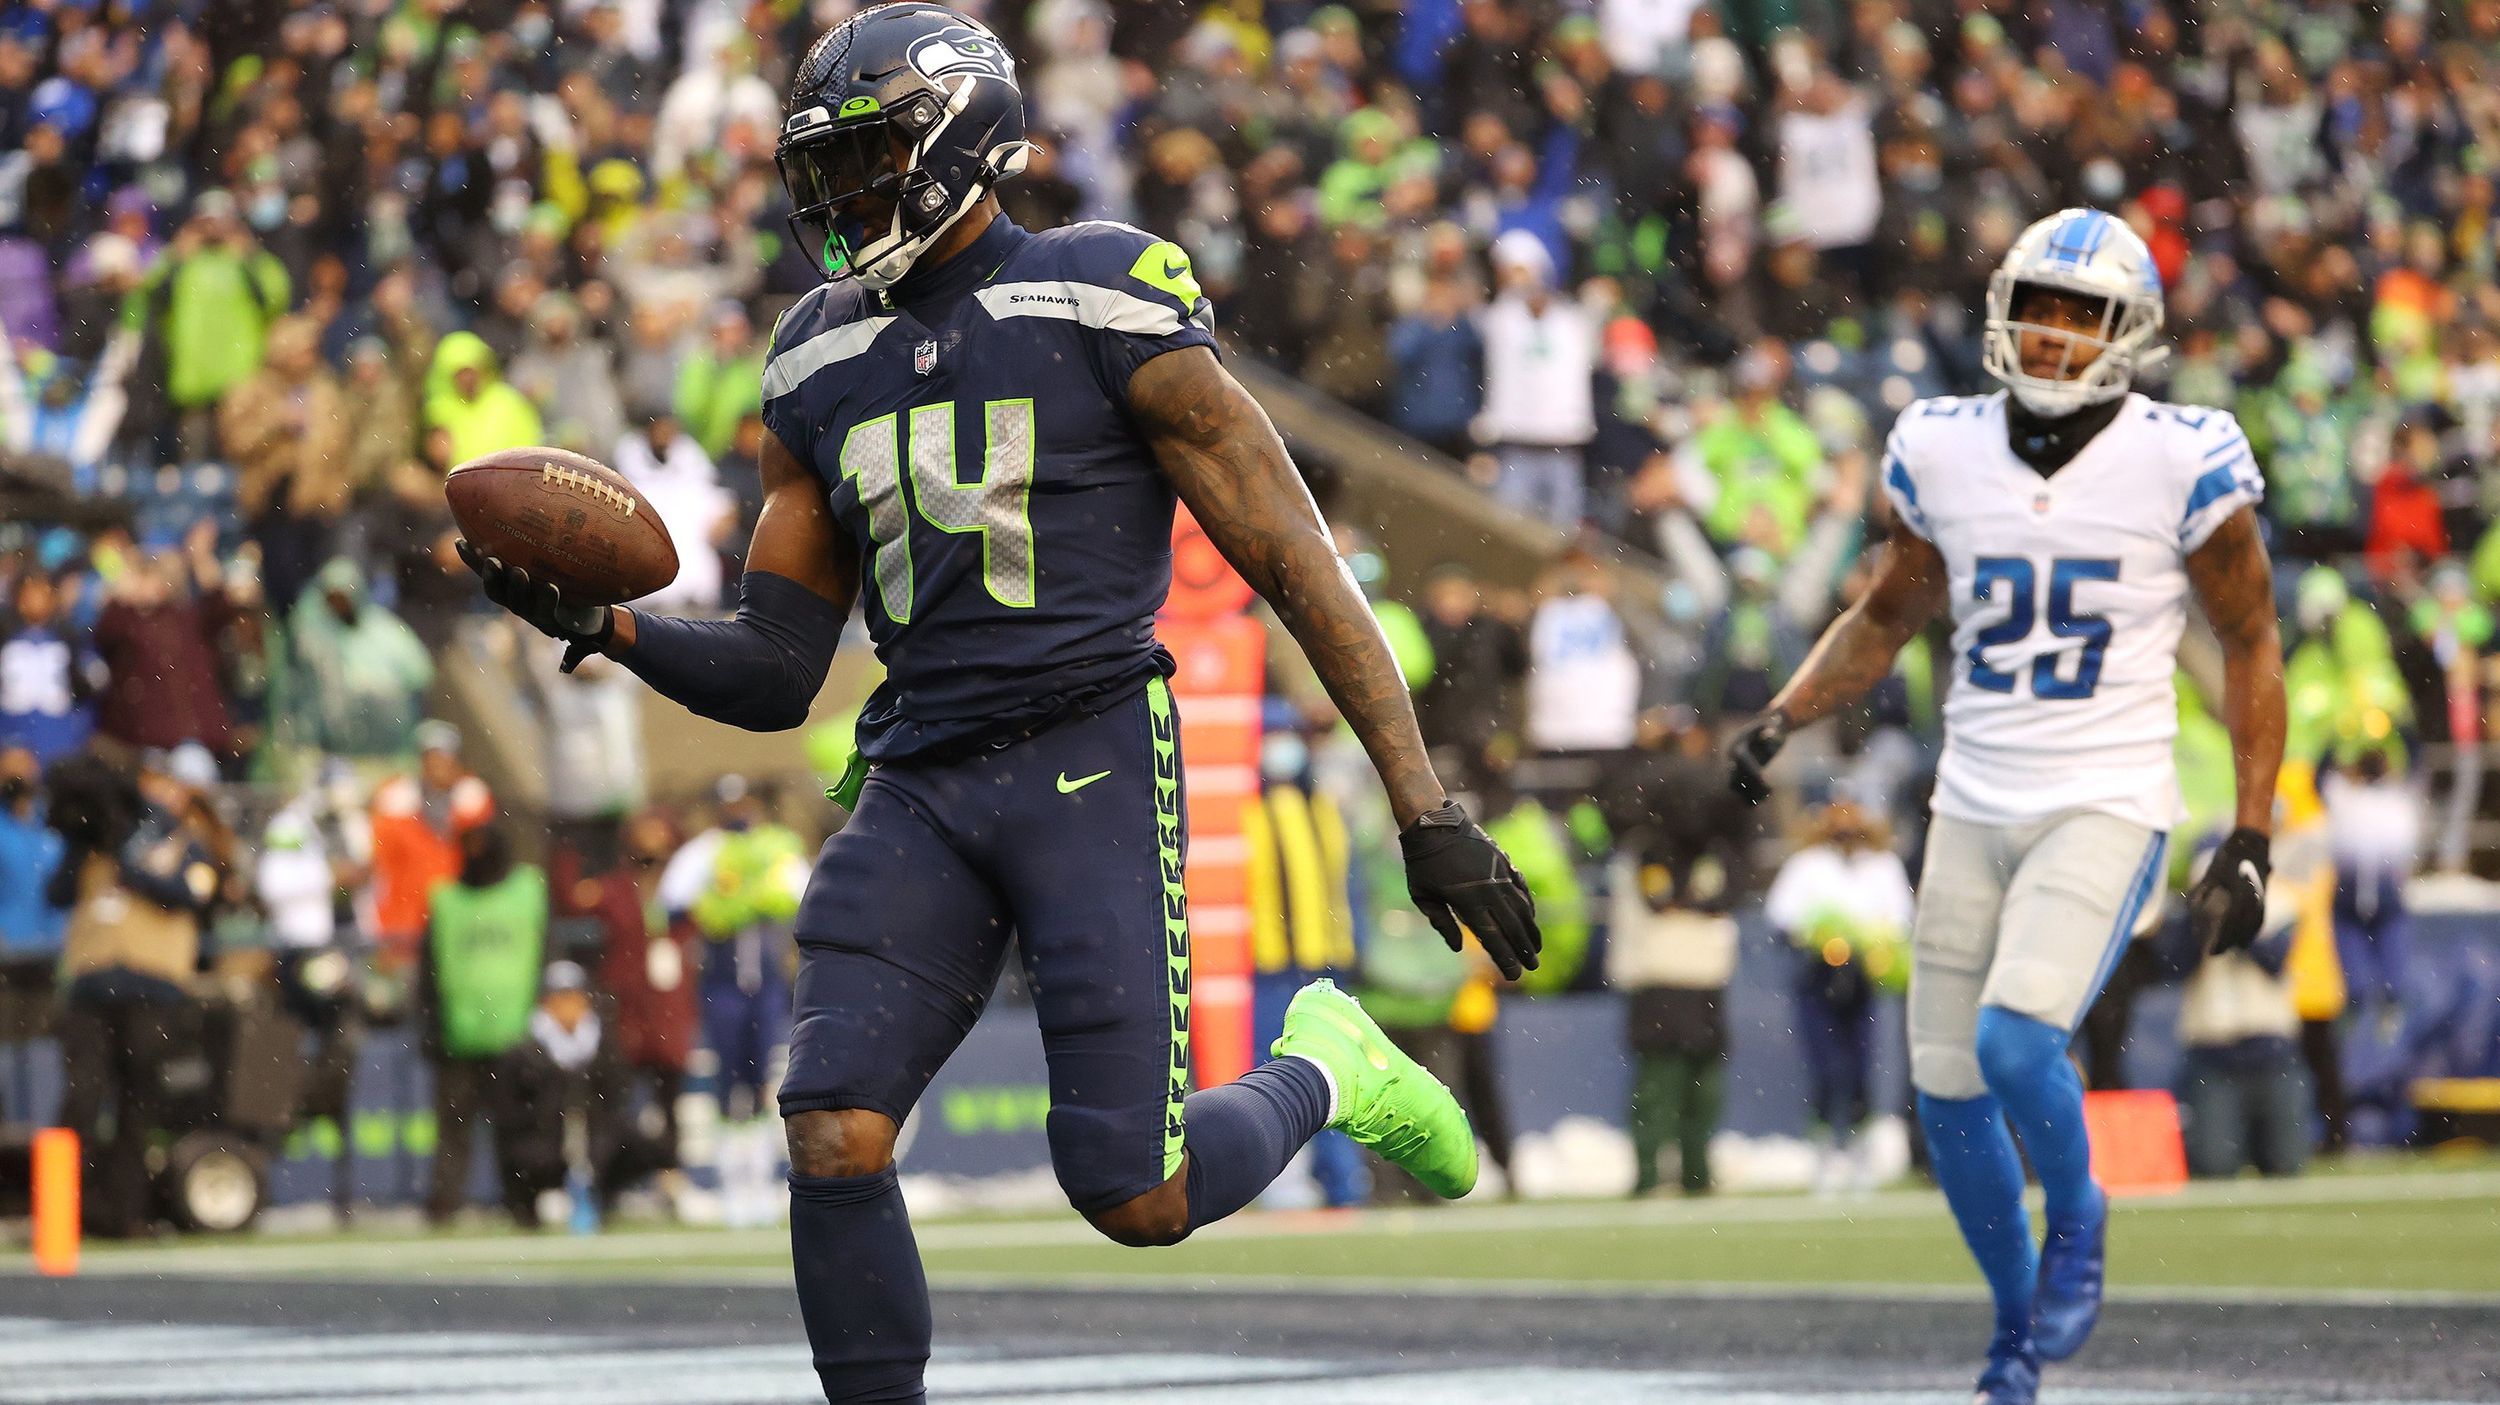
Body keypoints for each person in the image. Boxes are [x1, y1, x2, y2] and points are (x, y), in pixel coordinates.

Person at [457, 9, 1539, 1399]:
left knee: (1131, 1191)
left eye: (868, 158)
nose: (837, 198)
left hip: (1085, 747)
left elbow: (1298, 561)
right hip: (921, 779)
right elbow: (780, 669)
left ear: (964, 139)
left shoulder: (1107, 293)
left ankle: (1327, 1066)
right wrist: (612, 629)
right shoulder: (815, 359)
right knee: (832, 1128)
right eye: (821, 169)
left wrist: (1425, 804)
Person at [1728, 209, 2287, 1405]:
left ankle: (2079, 1209)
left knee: (2014, 1038)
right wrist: (1784, 712)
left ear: (2125, 330)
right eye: (2035, 305)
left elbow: (2247, 640)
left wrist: (2249, 833)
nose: (2048, 334)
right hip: (1972, 797)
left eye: (2077, 313)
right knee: (1942, 1089)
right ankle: (2011, 1335)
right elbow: (1886, 615)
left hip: (2106, 792)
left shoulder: (2181, 452)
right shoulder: (1937, 443)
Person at [46, 752, 215, 1237]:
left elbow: (190, 895)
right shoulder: (92, 839)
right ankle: (60, 1213)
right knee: (81, 1097)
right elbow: (55, 893)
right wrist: (86, 843)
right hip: (92, 986)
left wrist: (130, 863)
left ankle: (123, 1214)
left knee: (138, 1104)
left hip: (152, 986)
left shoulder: (185, 840)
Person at [1764, 799, 1914, 1194]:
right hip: (1817, 975)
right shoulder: (1807, 864)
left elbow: (1899, 917)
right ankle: (1826, 1150)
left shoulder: (1882, 865)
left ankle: (1860, 1151)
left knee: (1862, 1067)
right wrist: (1821, 933)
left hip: (1863, 976)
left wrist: (1866, 941)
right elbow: (1782, 915)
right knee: (1826, 1067)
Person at [416, 823, 548, 1227]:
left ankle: (523, 1204)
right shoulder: (447, 899)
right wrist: (431, 1028)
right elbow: (429, 970)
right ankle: (444, 1207)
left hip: (515, 1035)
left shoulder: (527, 890)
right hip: (459, 1035)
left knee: (517, 1130)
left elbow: (545, 953)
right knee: (453, 1132)